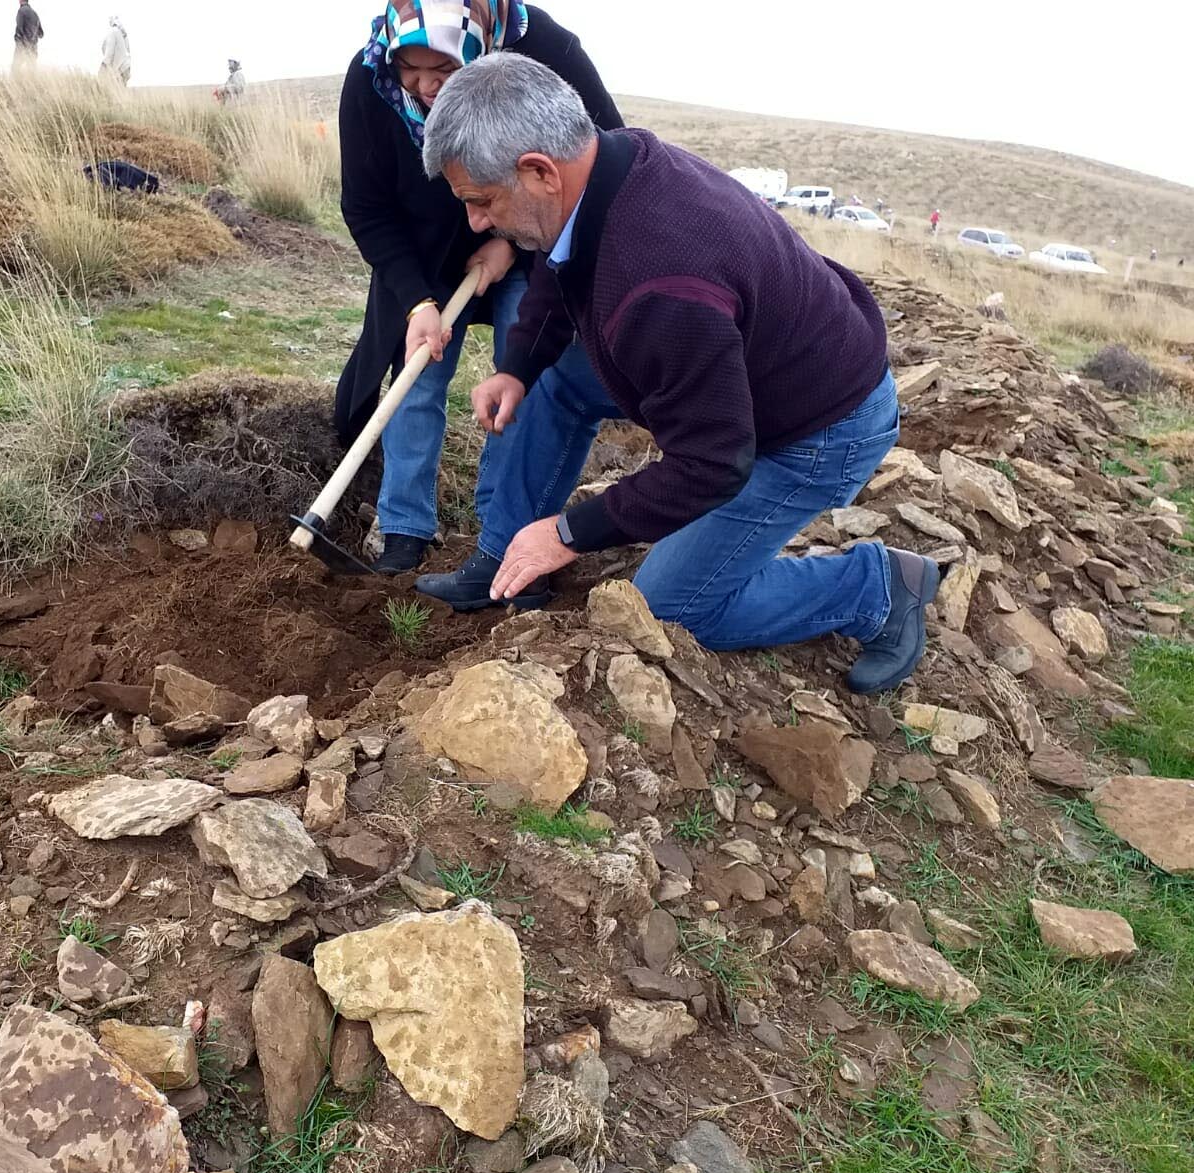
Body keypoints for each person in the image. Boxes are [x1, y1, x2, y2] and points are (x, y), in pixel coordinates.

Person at [416, 54, 938, 695]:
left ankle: (878, 586)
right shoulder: (608, 165)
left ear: (539, 171)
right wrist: (518, 367)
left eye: (481, 201)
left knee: (671, 605)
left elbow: (713, 462)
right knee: (553, 384)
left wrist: (572, 532)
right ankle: (507, 560)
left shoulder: (660, 280)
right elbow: (560, 255)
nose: (475, 222)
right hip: (741, 363)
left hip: (815, 428)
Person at [337, 1, 622, 575]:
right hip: (420, 255)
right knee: (418, 370)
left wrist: (512, 245)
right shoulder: (370, 77)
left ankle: (502, 532)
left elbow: (601, 157)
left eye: (441, 73)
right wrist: (416, 300)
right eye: (408, 72)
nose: (422, 88)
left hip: (530, 242)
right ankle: (403, 532)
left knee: (525, 376)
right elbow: (366, 206)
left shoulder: (547, 49)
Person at [13, 0, 43, 73]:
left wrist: (18, 40)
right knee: (32, 69)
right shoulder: (34, 13)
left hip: (23, 45)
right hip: (33, 46)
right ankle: (32, 84)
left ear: (20, 1)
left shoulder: (21, 11)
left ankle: (14, 83)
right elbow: (41, 34)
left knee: (15, 67)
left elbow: (19, 29)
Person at [101, 16, 132, 84]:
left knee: (114, 91)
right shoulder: (123, 33)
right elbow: (128, 50)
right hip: (127, 67)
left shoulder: (112, 32)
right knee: (121, 93)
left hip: (120, 69)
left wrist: (103, 65)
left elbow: (109, 52)